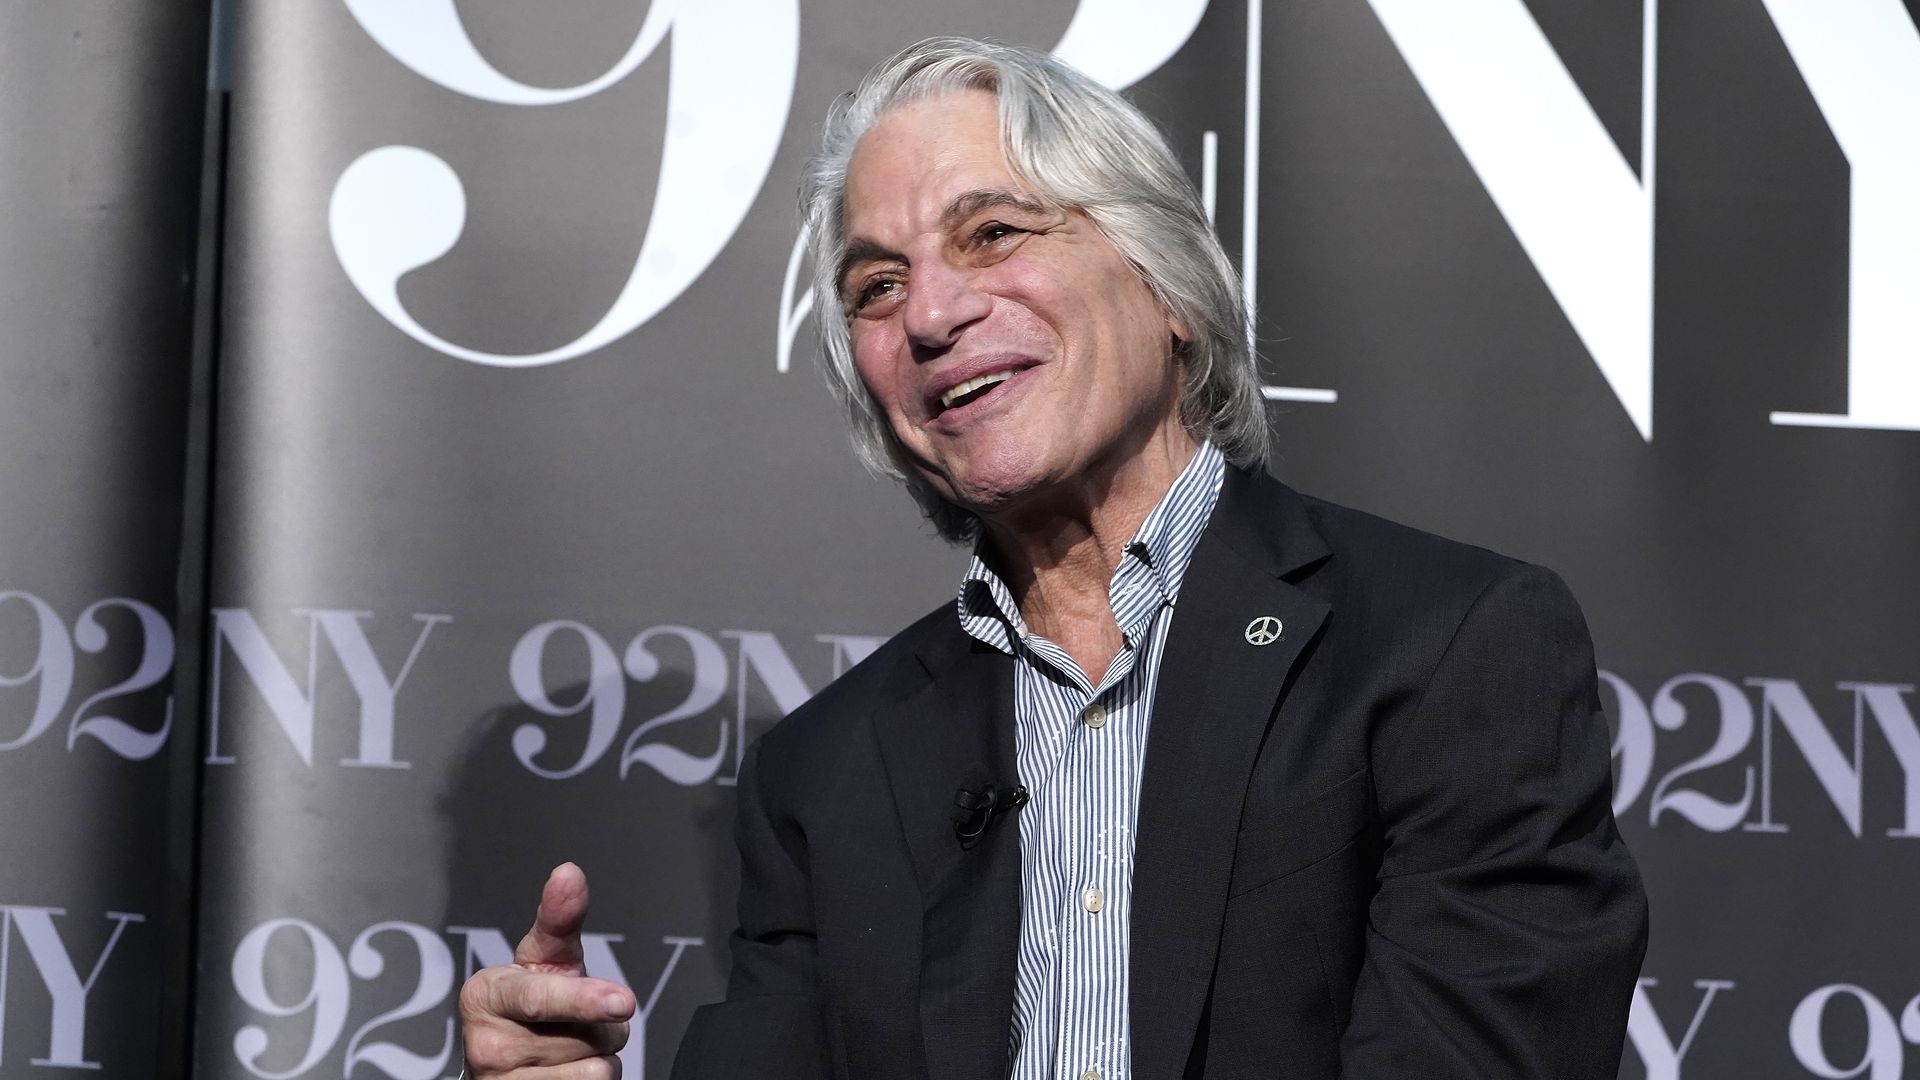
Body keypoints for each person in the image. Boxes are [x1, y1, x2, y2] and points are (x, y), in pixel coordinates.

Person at [457, 37, 1648, 1080]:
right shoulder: (827, 776)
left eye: (992, 233)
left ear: (1168, 285)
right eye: (878, 286)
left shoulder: (1444, 648)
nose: (931, 314)